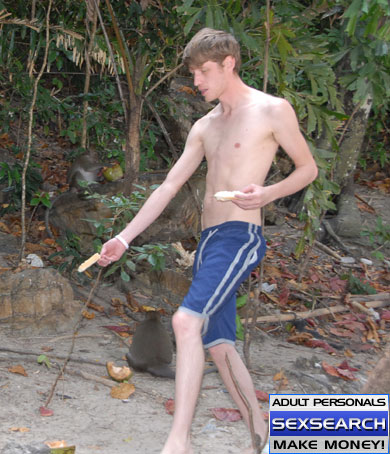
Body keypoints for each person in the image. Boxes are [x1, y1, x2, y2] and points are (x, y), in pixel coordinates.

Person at [97, 28, 318, 454]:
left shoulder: (272, 110)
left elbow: (307, 169)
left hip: (241, 235)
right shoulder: (205, 126)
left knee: (185, 322)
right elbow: (167, 186)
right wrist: (124, 238)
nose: (197, 80)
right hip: (210, 240)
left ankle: (179, 441)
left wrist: (268, 194)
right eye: (194, 72)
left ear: (229, 63)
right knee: (217, 345)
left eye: (204, 71)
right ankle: (265, 435)